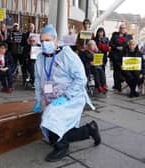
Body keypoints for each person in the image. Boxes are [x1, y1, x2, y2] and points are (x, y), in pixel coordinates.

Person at [32, 24, 101, 162]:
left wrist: (66, 96)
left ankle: (62, 146)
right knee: (52, 128)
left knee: (50, 117)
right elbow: (39, 80)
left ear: (56, 40)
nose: (45, 44)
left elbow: (81, 78)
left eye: (48, 40)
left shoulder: (67, 55)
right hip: (51, 96)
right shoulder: (40, 58)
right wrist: (40, 99)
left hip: (71, 97)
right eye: (42, 40)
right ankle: (89, 129)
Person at [109, 23, 132, 92]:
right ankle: (117, 86)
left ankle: (124, 83)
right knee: (116, 71)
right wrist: (116, 47)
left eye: (124, 28)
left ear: (126, 29)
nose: (122, 29)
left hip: (124, 56)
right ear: (119, 29)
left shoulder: (129, 36)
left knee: (124, 71)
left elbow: (130, 45)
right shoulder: (115, 35)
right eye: (121, 28)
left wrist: (123, 47)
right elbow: (110, 44)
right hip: (115, 55)